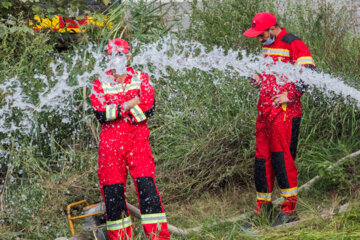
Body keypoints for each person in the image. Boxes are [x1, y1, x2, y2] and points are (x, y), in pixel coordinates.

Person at [90, 38, 170, 240]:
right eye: (113, 55)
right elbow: (100, 114)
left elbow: (148, 109)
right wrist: (127, 105)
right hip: (110, 147)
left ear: (128, 56)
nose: (117, 59)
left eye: (121, 55)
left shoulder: (142, 78)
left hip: (138, 143)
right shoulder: (100, 83)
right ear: (108, 58)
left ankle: (158, 237)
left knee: (147, 191)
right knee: (113, 196)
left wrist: (117, 111)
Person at [242, 12, 316, 227]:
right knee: (261, 160)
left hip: (285, 113)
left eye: (261, 35)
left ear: (272, 28)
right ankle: (263, 210)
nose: (259, 39)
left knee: (281, 160)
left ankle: (289, 210)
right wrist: (258, 79)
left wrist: (291, 95)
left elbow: (310, 72)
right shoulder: (267, 46)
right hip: (264, 111)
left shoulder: (292, 43)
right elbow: (271, 72)